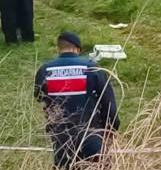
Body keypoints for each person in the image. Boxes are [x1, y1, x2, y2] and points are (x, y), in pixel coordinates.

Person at [35, 32, 119, 169]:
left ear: (59, 48)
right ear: (77, 49)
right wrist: (112, 128)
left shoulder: (45, 69)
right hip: (92, 133)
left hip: (61, 136)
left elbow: (40, 98)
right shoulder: (92, 67)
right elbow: (109, 104)